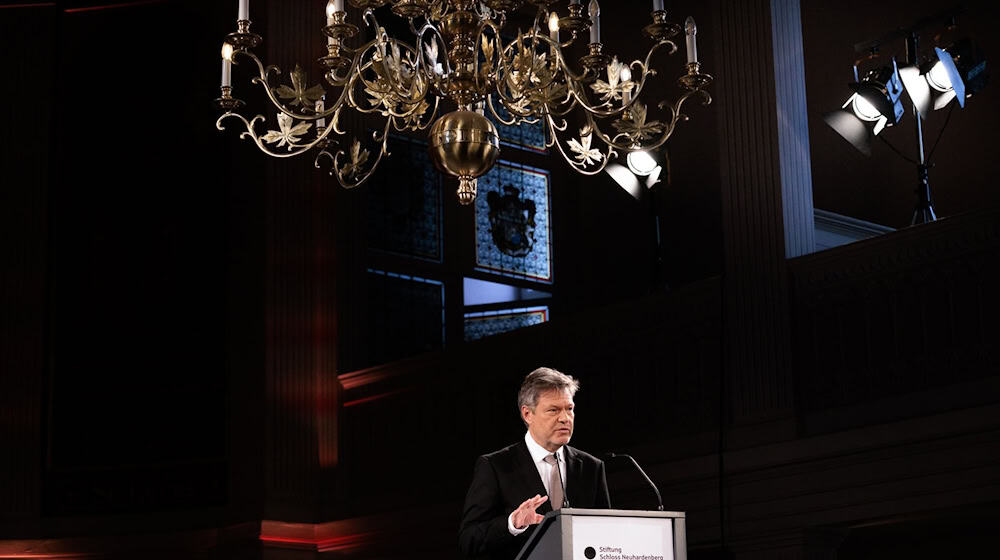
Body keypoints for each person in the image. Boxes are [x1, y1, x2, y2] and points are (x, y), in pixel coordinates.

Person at [459, 367, 611, 560]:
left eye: (569, 409)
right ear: (528, 414)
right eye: (553, 410)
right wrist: (512, 524)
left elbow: (606, 535)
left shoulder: (591, 467)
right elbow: (468, 540)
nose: (565, 418)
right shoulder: (496, 466)